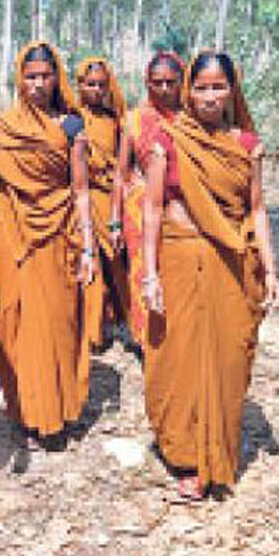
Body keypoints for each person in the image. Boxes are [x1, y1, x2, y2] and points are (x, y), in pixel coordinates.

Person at [140, 51, 279, 500]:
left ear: (232, 90)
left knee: (227, 359)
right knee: (178, 357)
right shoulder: (167, 140)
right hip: (180, 259)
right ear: (188, 90)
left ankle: (214, 453)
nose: (209, 96)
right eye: (200, 87)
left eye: (218, 86)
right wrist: (149, 273)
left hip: (232, 265)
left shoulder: (246, 146)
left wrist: (272, 269)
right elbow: (152, 208)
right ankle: (185, 453)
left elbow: (256, 210)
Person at [0, 41, 95, 461]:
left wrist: (89, 248)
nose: (39, 84)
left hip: (58, 232)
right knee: (16, 321)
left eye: (46, 76)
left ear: (56, 77)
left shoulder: (71, 127)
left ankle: (58, 411)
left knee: (59, 320)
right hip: (11, 235)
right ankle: (25, 412)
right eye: (31, 76)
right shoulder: (0, 129)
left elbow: (81, 191)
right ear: (19, 80)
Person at [112, 51, 185, 346]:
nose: (164, 89)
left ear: (182, 81)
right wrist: (115, 219)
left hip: (181, 206)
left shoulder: (190, 119)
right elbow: (121, 172)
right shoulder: (134, 120)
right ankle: (146, 340)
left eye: (171, 82)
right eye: (157, 82)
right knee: (143, 271)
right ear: (146, 82)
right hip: (141, 207)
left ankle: (177, 336)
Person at [70, 57, 129, 351]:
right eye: (89, 83)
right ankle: (91, 331)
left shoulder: (113, 120)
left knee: (119, 260)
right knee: (86, 256)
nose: (95, 89)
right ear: (79, 85)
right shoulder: (70, 118)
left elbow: (123, 162)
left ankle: (129, 321)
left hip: (107, 196)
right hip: (78, 197)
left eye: (101, 85)